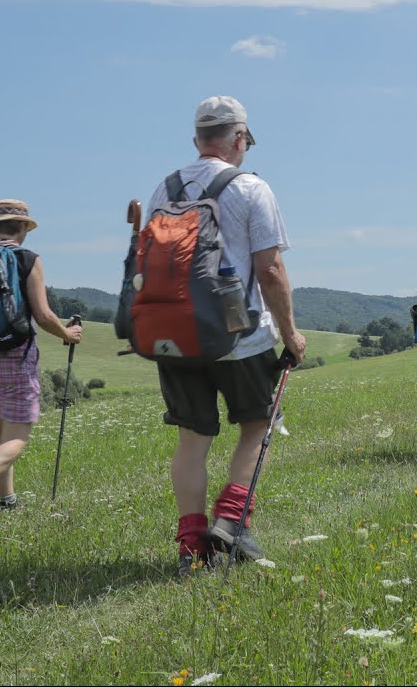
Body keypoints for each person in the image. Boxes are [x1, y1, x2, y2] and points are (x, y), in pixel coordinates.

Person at [147, 95, 306, 577]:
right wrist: (291, 333)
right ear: (240, 139)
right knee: (257, 427)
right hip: (241, 335)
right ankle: (232, 522)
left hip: (173, 334)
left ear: (197, 139)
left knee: (193, 440)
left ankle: (191, 543)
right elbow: (271, 269)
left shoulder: (165, 187)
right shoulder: (251, 188)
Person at [0, 200, 84, 520]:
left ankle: (7, 501)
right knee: (17, 437)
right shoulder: (27, 259)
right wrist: (67, 333)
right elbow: (44, 314)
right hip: (13, 356)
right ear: (22, 227)